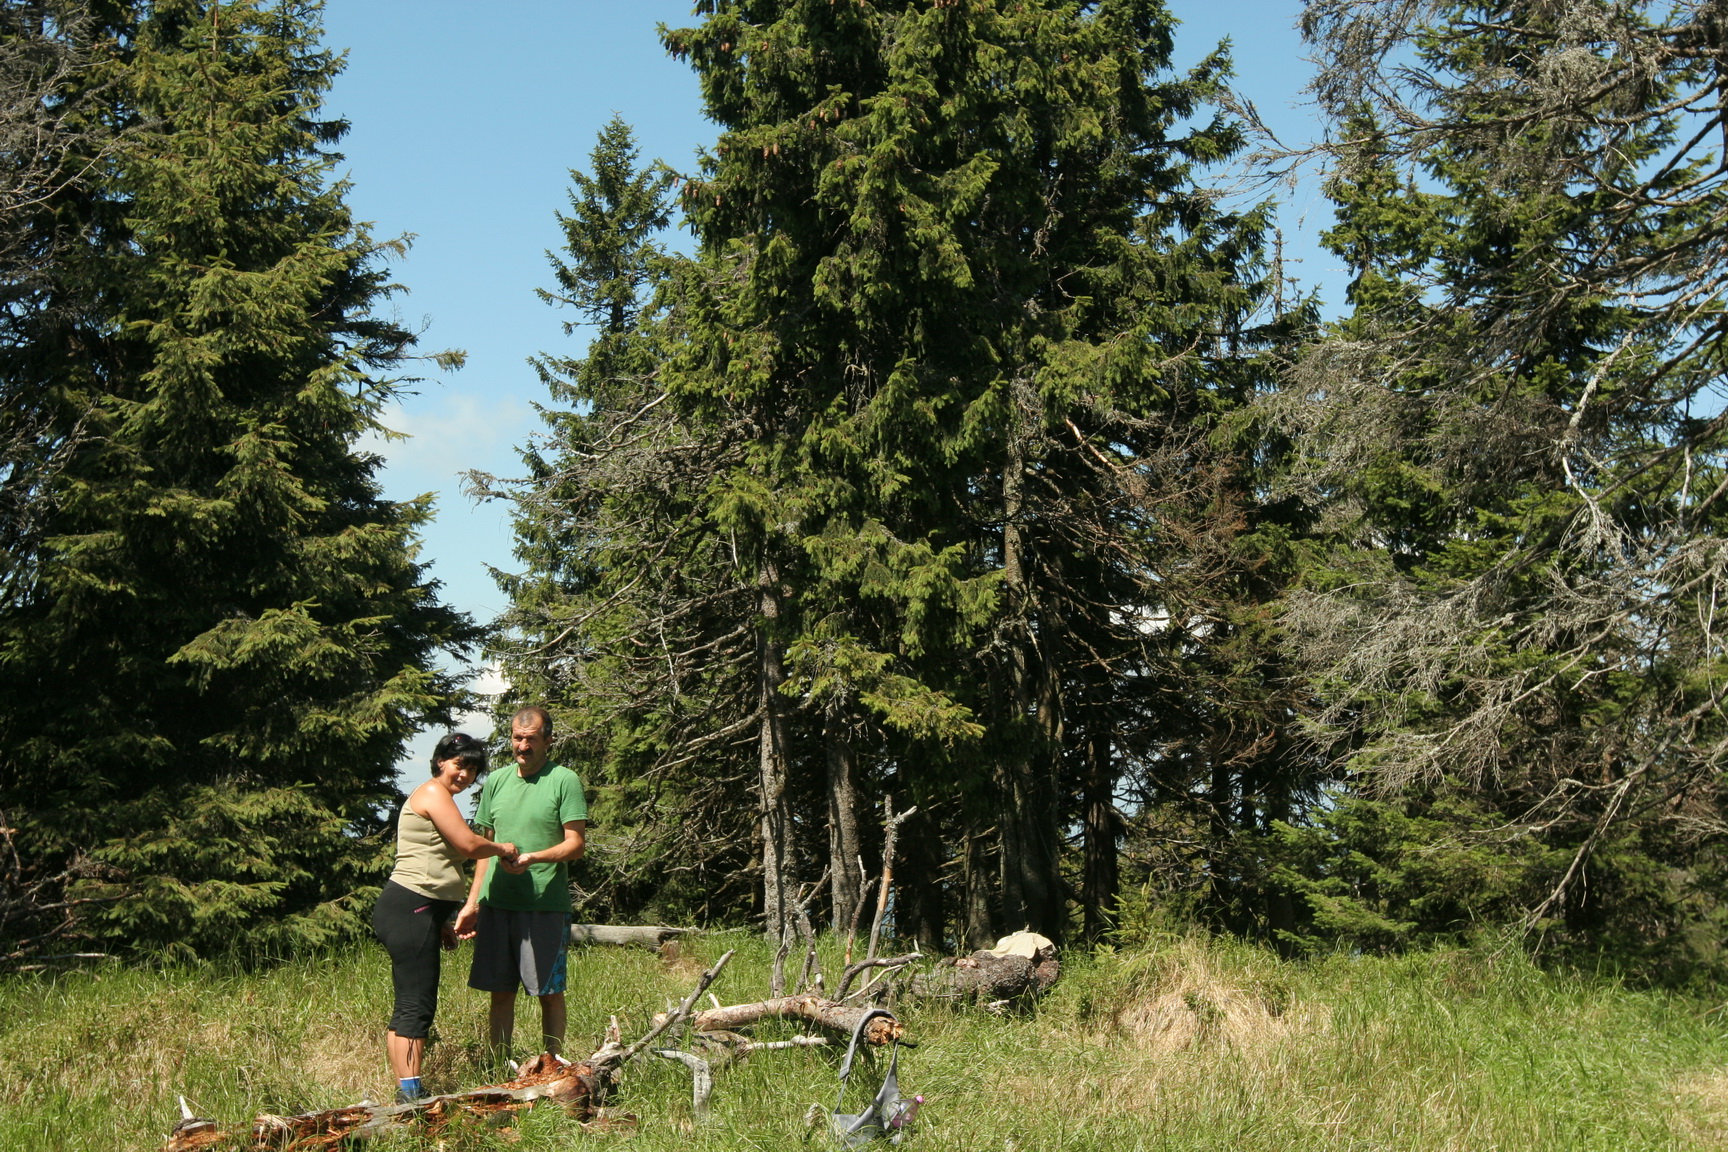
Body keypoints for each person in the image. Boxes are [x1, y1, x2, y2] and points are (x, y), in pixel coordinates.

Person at [372, 732, 518, 1103]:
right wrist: (503, 848)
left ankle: (407, 1090)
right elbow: (468, 844)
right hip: (411, 905)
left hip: (415, 909)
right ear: (441, 762)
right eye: (459, 765)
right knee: (416, 1005)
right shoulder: (434, 793)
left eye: (473, 769)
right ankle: (412, 1097)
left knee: (409, 1002)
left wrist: (439, 922)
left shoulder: (436, 796)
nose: (465, 775)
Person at [454, 705, 587, 1058]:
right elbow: (485, 850)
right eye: (517, 738)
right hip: (497, 904)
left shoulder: (564, 780)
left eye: (531, 739)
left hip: (544, 906)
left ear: (548, 741)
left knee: (549, 992)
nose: (523, 746)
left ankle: (554, 1065)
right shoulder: (496, 781)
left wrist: (533, 858)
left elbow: (576, 844)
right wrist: (472, 903)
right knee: (500, 993)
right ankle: (498, 1066)